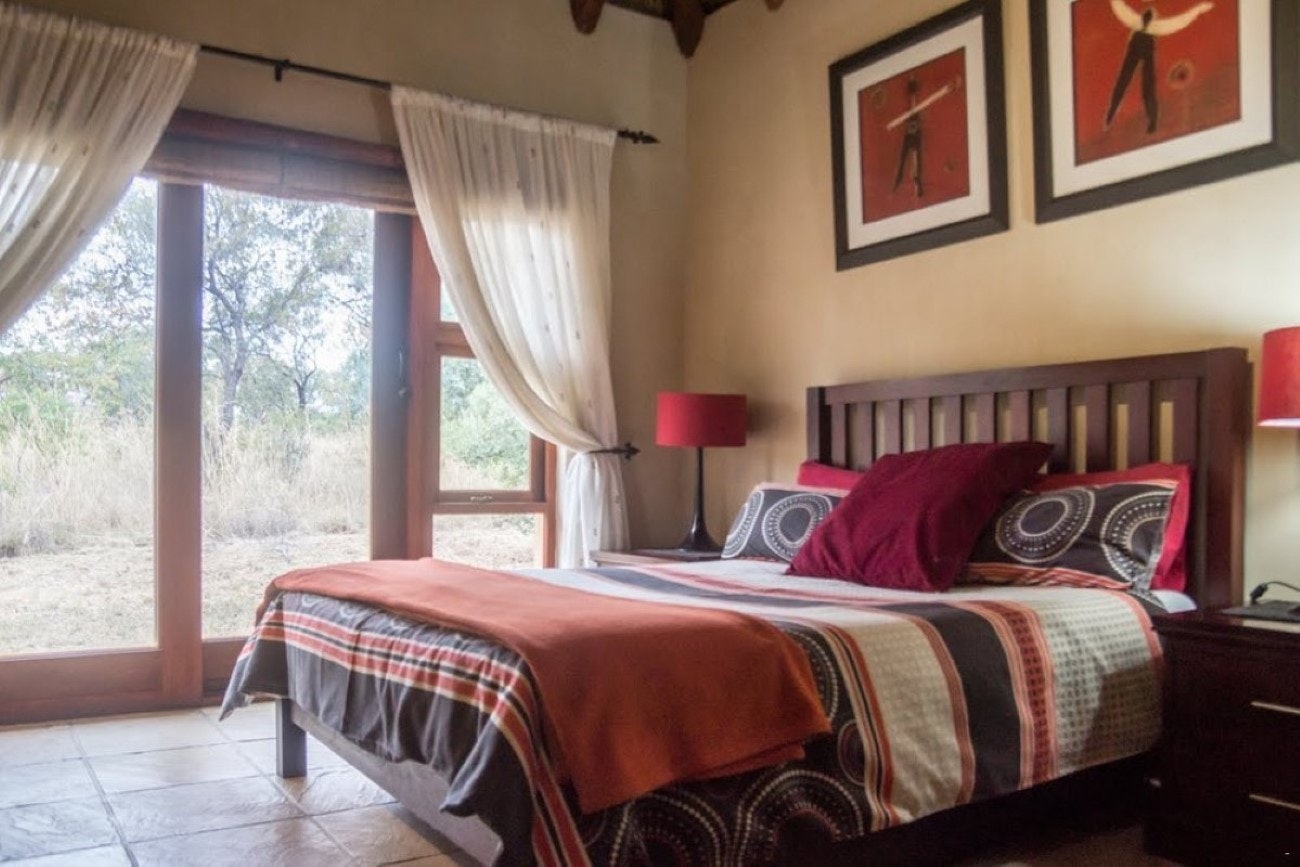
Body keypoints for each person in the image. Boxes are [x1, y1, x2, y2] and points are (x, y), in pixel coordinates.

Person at [1104, 0, 1215, 134]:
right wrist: (1199, 10)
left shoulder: (1154, 26)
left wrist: (1198, 10)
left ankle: (1152, 120)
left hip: (1145, 54)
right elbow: (1119, 8)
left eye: (1150, 15)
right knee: (1122, 82)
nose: (1148, 16)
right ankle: (1110, 115)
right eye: (1147, 14)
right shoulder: (1135, 21)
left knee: (1148, 87)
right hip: (1133, 53)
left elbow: (1179, 21)